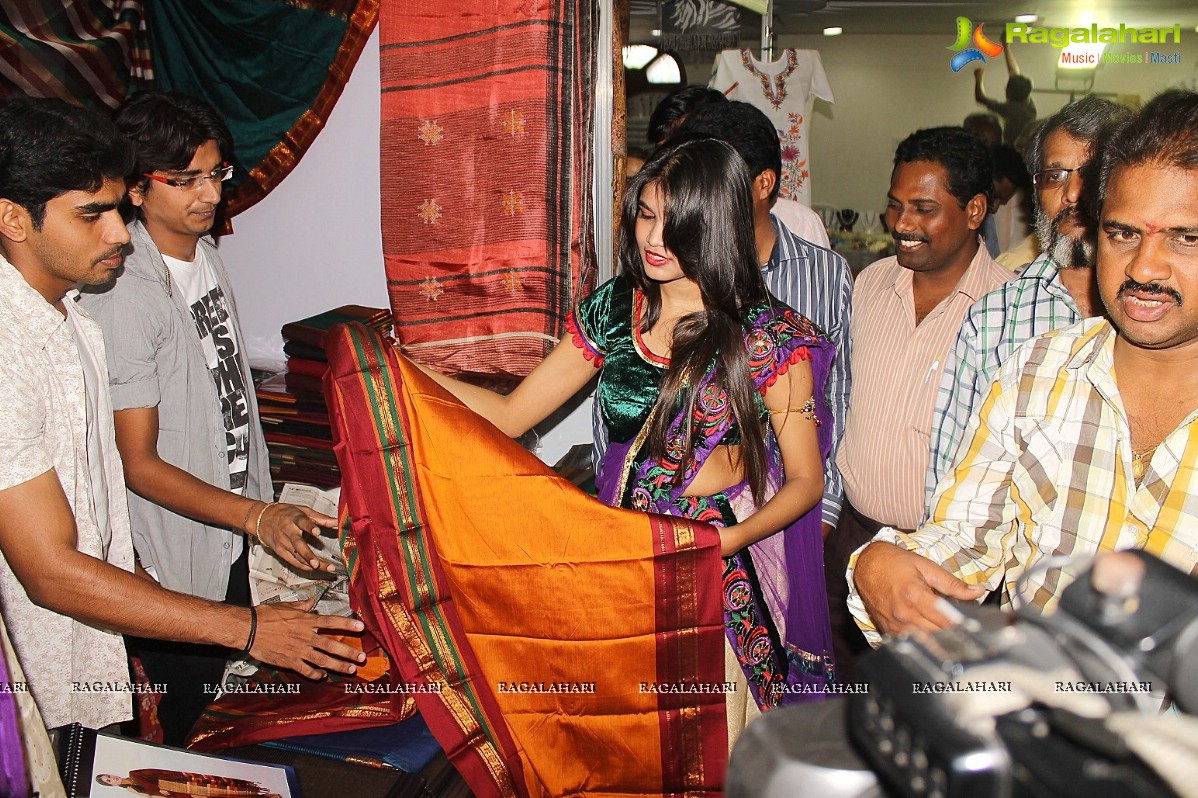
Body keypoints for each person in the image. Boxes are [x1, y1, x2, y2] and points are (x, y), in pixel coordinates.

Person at [419, 137, 837, 742]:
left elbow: (805, 480)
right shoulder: (618, 311)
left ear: (714, 224)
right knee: (626, 744)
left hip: (714, 570)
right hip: (620, 551)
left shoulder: (768, 337)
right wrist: (405, 373)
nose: (653, 239)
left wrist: (728, 540)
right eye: (645, 215)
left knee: (703, 749)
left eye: (675, 222)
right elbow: (511, 414)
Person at [0, 97, 364, 732]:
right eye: (93, 214)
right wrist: (244, 627)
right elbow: (52, 569)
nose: (119, 233)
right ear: (13, 218)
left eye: (115, 210)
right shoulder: (21, 346)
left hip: (114, 617)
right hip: (40, 672)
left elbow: (99, 497)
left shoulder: (70, 317)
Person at [848, 89, 1198, 642]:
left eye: (1186, 238)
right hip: (1031, 711)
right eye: (1123, 233)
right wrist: (882, 563)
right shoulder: (1037, 373)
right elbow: (968, 532)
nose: (1145, 266)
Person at [78, 90, 335, 744]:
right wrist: (258, 515)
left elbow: (227, 397)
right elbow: (137, 464)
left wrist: (257, 506)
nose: (208, 195)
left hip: (221, 530)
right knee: (177, 719)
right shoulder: (127, 295)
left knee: (213, 713)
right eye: (183, 179)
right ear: (135, 190)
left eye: (215, 174)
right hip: (168, 556)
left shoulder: (202, 255)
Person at [826, 126, 1012, 681]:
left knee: (934, 718)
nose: (902, 224)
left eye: (924, 208)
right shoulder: (868, 287)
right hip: (853, 540)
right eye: (895, 206)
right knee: (847, 710)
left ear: (975, 209)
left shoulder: (1008, 310)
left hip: (949, 562)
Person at [926, 97, 1132, 506]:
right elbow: (951, 483)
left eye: (1091, 174)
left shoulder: (1162, 310)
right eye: (1055, 176)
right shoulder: (994, 319)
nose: (1073, 193)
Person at [678, 100, 852, 539]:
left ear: (763, 183)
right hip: (677, 514)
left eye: (714, 182)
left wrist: (824, 510)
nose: (697, 197)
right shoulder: (668, 267)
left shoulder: (824, 275)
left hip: (789, 510)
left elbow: (838, 396)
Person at [973, 45, 1036, 145]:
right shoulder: (1028, 104)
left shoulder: (1010, 110)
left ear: (1009, 93)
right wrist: (1006, 47)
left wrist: (978, 79)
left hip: (1012, 148)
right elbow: (1014, 73)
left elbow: (980, 98)